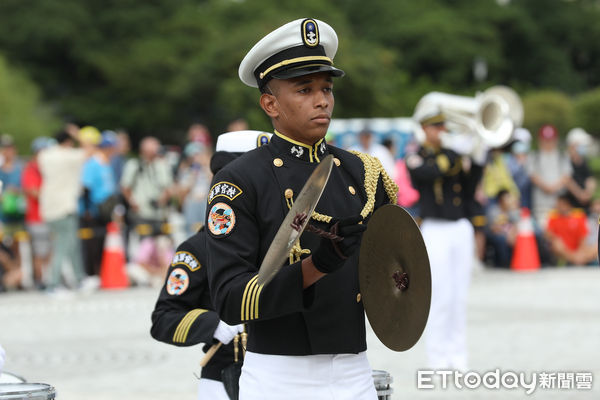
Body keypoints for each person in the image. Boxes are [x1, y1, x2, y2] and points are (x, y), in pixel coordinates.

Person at [205, 18, 397, 400]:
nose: (322, 99)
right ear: (270, 104)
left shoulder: (362, 171)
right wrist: (316, 267)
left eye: (326, 88)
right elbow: (228, 298)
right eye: (305, 89)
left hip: (354, 368)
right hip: (280, 373)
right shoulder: (240, 179)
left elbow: (394, 264)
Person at [152, 130, 270, 400]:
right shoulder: (198, 249)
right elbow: (164, 318)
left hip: (284, 374)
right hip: (225, 377)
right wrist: (215, 324)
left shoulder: (285, 241)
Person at [407, 107, 484, 370]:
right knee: (440, 294)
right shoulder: (417, 156)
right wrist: (457, 151)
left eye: (443, 127)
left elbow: (471, 187)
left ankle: (458, 354)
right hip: (435, 229)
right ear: (426, 130)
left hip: (460, 227)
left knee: (459, 296)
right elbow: (427, 175)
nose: (442, 132)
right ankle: (437, 356)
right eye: (436, 127)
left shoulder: (454, 154)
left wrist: (479, 155)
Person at [38, 130, 90, 293]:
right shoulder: (69, 155)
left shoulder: (44, 155)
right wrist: (78, 134)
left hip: (48, 205)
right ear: (68, 142)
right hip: (65, 205)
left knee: (71, 244)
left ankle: (80, 279)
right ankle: (53, 284)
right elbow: (89, 149)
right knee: (63, 245)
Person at [121, 137, 174, 283]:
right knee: (143, 247)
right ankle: (144, 274)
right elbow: (125, 187)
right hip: (141, 213)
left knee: (163, 246)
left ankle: (162, 273)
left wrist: (161, 200)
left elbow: (169, 188)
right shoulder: (134, 165)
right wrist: (134, 203)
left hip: (159, 214)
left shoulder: (161, 165)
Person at [79, 130, 119, 279]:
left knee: (101, 242)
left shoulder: (106, 163)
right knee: (91, 244)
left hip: (105, 211)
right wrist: (88, 209)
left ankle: (98, 273)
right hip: (93, 211)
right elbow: (86, 188)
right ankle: (89, 274)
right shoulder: (93, 163)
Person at [21, 137, 55, 288]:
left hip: (49, 215)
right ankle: (40, 280)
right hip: (36, 217)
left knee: (49, 250)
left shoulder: (47, 168)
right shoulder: (32, 168)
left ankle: (49, 278)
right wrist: (52, 194)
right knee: (40, 252)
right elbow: (32, 191)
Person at [528, 124, 572, 229]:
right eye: (545, 140)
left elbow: (566, 176)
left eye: (550, 140)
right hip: (541, 206)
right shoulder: (534, 156)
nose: (548, 143)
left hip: (560, 205)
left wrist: (553, 188)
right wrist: (546, 187)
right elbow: (533, 176)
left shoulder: (562, 156)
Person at [545, 193, 596, 266]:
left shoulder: (578, 216)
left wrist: (580, 251)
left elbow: (583, 236)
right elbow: (548, 234)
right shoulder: (554, 216)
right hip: (563, 251)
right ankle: (576, 260)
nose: (557, 206)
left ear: (568, 204)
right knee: (557, 244)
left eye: (560, 204)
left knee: (596, 247)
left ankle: (577, 260)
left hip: (578, 250)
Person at [484, 189, 520, 268]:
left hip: (509, 234)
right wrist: (507, 233)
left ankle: (516, 262)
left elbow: (516, 225)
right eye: (507, 198)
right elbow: (492, 228)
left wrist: (511, 234)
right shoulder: (493, 211)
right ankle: (504, 263)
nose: (509, 200)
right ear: (500, 200)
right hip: (495, 234)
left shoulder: (511, 211)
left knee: (519, 238)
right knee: (501, 239)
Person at [564, 128, 596, 213]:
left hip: (585, 208)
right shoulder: (565, 161)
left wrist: (587, 193)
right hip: (570, 208)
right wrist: (580, 194)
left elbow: (590, 179)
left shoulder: (583, 162)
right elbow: (566, 180)